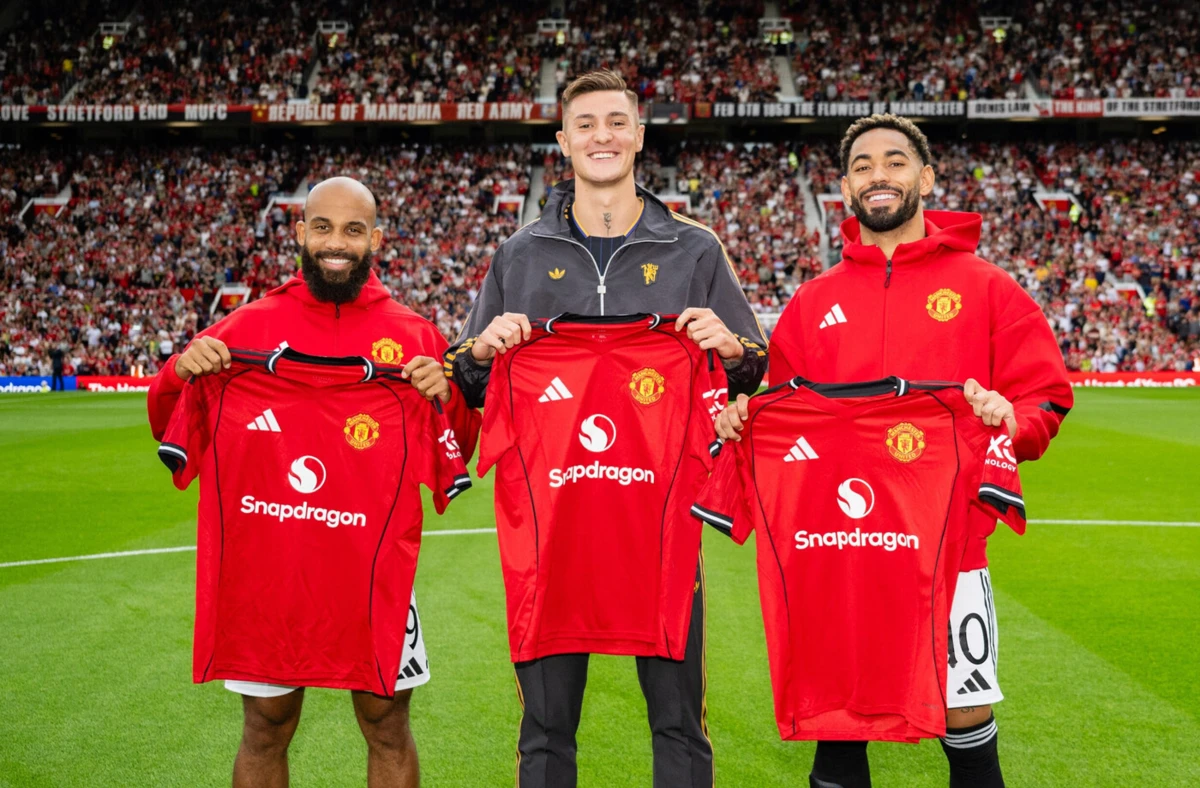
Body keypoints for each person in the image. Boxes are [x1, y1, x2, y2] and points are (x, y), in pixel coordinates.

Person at [716, 114, 1073, 788]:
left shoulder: (988, 288)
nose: (879, 174)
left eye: (896, 161)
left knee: (966, 712)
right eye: (863, 166)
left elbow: (1045, 397)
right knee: (837, 718)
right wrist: (742, 421)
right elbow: (781, 414)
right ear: (846, 190)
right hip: (833, 547)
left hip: (949, 545)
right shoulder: (812, 301)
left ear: (926, 178)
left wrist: (1010, 422)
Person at [443, 69, 768, 788]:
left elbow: (753, 372)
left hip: (659, 529)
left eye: (617, 122)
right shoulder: (519, 253)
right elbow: (467, 380)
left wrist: (731, 347)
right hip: (550, 537)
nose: (603, 136)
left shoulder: (695, 248)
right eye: (586, 123)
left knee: (680, 726)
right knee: (546, 733)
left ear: (639, 136)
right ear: (563, 142)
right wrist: (483, 350)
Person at [148, 176, 476, 788]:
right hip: (268, 573)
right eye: (322, 227)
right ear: (299, 233)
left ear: (376, 239)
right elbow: (167, 415)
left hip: (372, 571)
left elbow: (455, 447)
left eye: (353, 230)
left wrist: (447, 395)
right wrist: (178, 369)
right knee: (266, 726)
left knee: (386, 723)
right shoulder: (244, 328)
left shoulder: (415, 336)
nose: (336, 243)